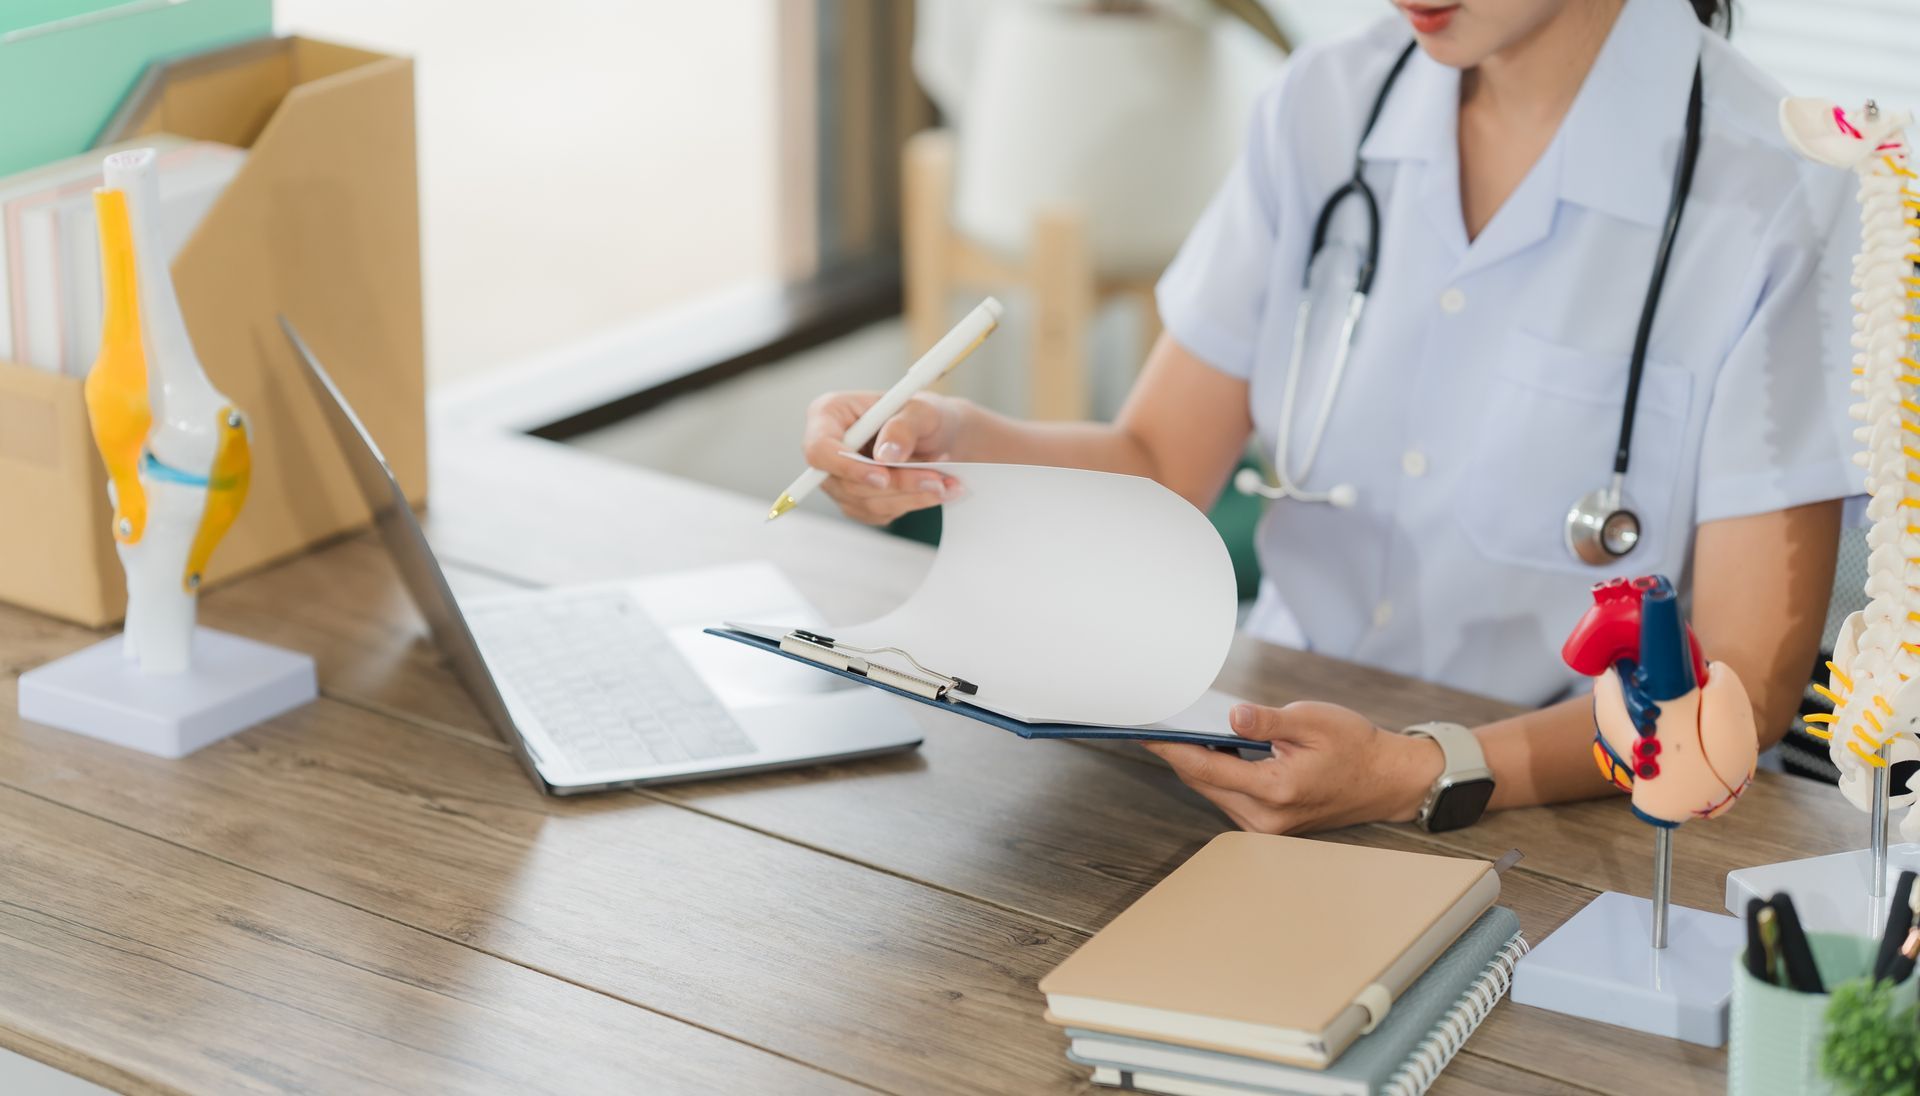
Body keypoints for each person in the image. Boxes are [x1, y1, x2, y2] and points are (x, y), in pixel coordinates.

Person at [799, 0, 1858, 834]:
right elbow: (1160, 458)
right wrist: (948, 439)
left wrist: (1425, 770)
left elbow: (1740, 692)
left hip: (1594, 821)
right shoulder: (1325, 105)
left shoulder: (1781, 194)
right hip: (1262, 751)